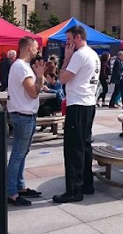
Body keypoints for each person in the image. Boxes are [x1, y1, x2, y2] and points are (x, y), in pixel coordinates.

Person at [54, 25, 100, 203]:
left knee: (74, 149)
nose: (67, 44)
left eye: (69, 41)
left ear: (78, 38)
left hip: (78, 104)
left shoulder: (79, 55)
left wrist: (66, 59)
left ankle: (74, 190)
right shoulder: (93, 54)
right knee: (85, 145)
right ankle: (87, 183)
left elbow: (63, 78)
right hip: (88, 103)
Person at [7, 36, 45, 206]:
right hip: (23, 115)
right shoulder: (21, 67)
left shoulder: (21, 66)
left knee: (21, 153)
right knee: (17, 154)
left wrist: (39, 76)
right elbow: (33, 93)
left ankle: (18, 186)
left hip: (24, 114)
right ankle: (11, 191)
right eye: (36, 47)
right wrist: (39, 75)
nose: (38, 50)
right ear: (29, 48)